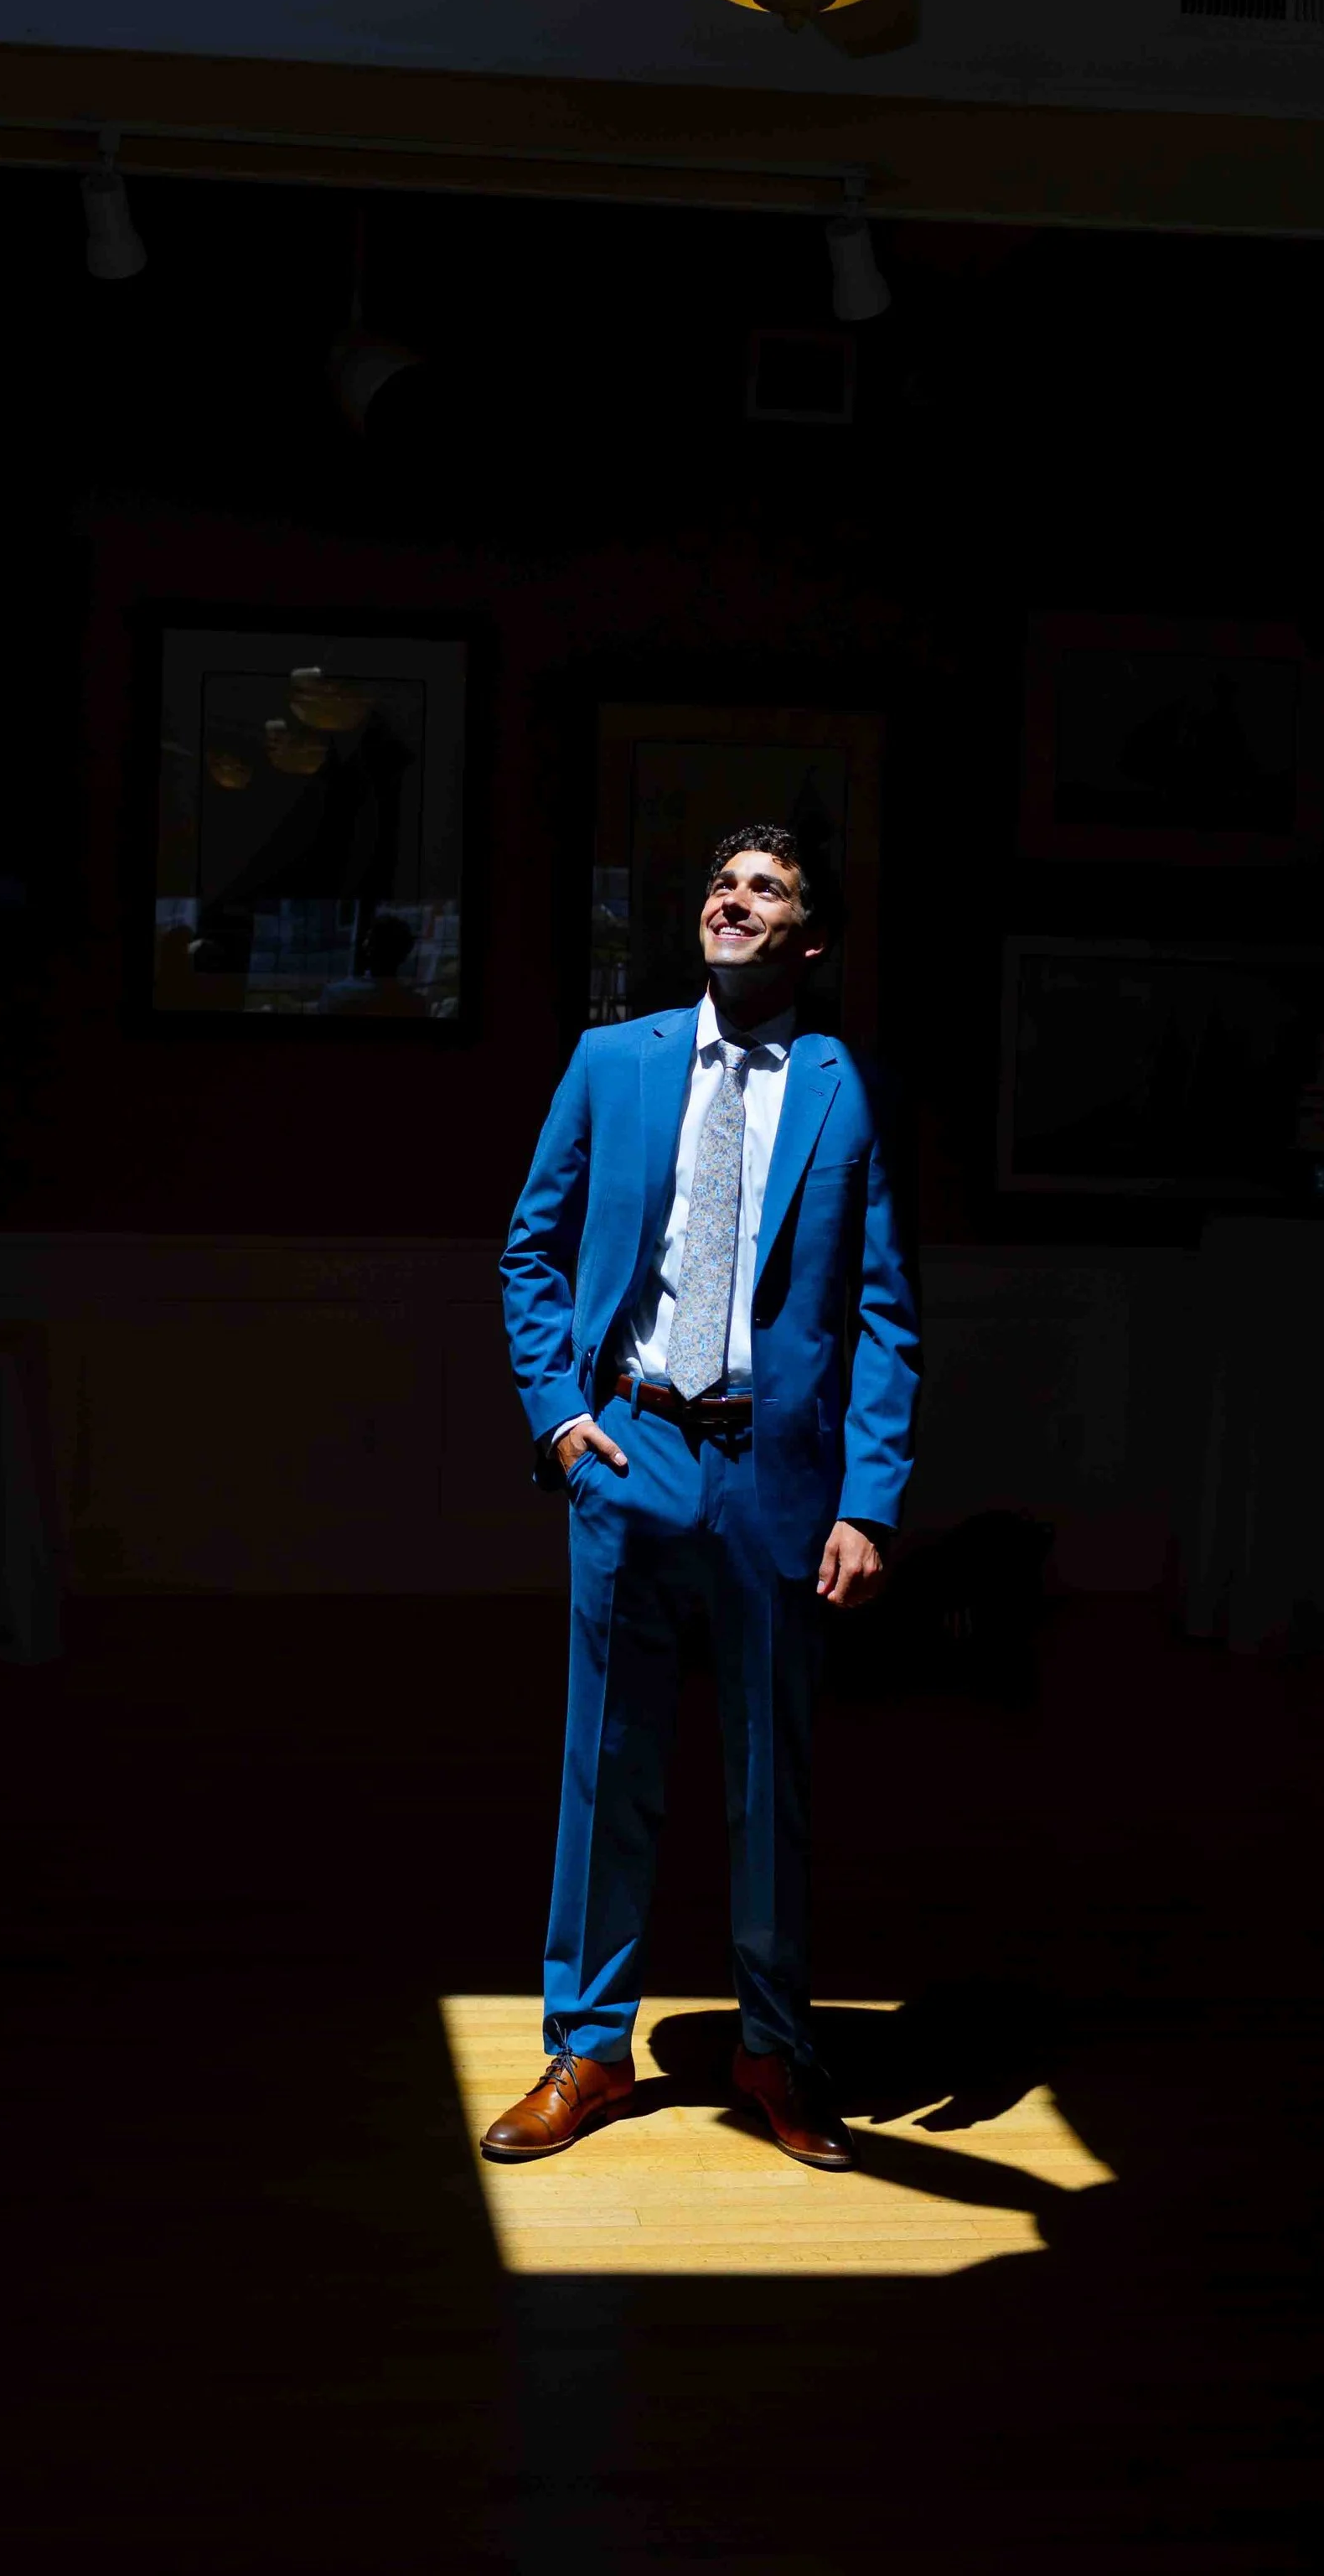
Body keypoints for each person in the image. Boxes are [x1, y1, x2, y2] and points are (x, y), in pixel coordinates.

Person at [490, 825, 918, 2173]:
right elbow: (530, 1250)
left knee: (766, 1780)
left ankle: (775, 2047)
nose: (735, 899)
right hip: (632, 1452)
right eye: (724, 883)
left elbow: (887, 1310)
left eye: (769, 889)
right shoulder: (614, 1060)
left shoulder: (846, 1088)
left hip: (775, 1477)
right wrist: (561, 1417)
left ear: (810, 940)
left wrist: (872, 1497)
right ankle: (590, 2046)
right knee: (606, 1762)